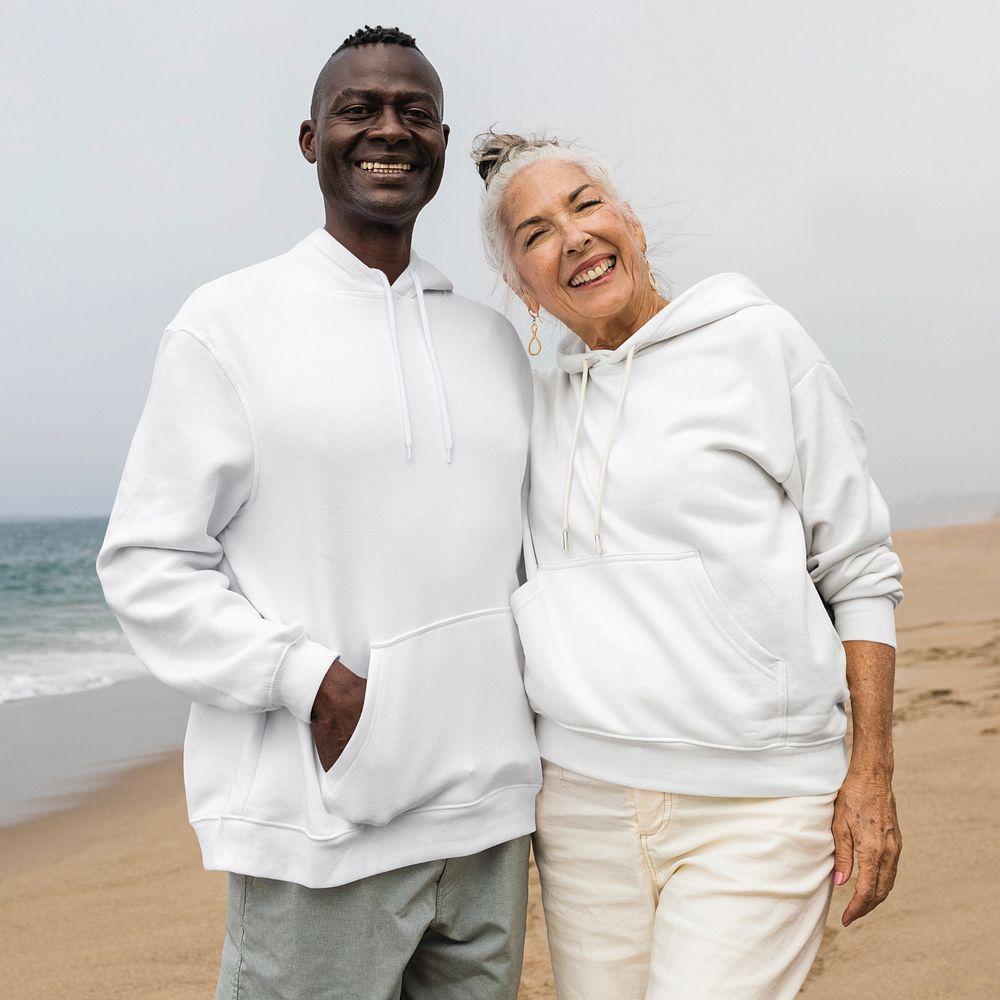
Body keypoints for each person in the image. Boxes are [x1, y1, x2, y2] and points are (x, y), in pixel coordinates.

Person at [97, 28, 541, 1000]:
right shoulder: (228, 324)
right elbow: (145, 560)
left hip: (491, 819)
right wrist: (311, 681)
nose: (389, 129)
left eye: (413, 112)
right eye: (360, 108)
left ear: (441, 140)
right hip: (320, 825)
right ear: (311, 139)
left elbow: (522, 564)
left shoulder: (491, 344)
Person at [471, 133, 903, 1000]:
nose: (574, 237)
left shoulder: (757, 342)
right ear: (523, 288)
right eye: (536, 233)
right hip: (584, 805)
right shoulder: (530, 405)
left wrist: (872, 774)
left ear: (629, 220)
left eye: (587, 204)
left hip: (758, 799)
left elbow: (858, 567)